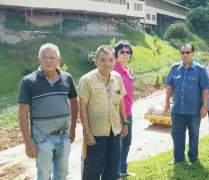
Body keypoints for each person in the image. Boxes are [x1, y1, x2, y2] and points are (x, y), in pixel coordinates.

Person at [17, 43, 78, 180]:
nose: (49, 60)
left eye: (52, 57)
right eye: (45, 57)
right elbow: (22, 112)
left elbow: (74, 102)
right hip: (42, 139)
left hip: (64, 136)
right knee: (44, 175)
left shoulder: (67, 78)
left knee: (62, 174)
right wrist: (28, 143)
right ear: (39, 60)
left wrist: (73, 128)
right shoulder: (28, 81)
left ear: (59, 60)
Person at [79, 45, 128, 180]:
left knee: (112, 169)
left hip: (114, 132)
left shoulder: (117, 78)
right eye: (103, 60)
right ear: (96, 62)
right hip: (95, 134)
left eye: (111, 60)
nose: (107, 64)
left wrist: (125, 122)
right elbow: (82, 108)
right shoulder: (86, 80)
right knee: (92, 170)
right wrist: (87, 133)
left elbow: (121, 101)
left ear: (114, 61)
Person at [165, 44, 209, 164]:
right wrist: (166, 102)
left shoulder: (200, 70)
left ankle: (193, 158)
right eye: (182, 52)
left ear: (193, 53)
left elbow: (205, 89)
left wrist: (204, 105)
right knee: (177, 134)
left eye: (187, 52)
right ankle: (178, 158)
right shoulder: (175, 68)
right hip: (177, 110)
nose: (185, 54)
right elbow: (169, 86)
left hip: (194, 110)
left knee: (194, 134)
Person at [113, 41, 136, 178]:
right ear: (116, 54)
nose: (125, 54)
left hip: (128, 111)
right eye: (122, 51)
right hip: (117, 113)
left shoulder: (128, 70)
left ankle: (123, 169)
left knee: (127, 142)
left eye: (128, 52)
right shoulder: (114, 71)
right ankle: (115, 173)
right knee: (117, 144)